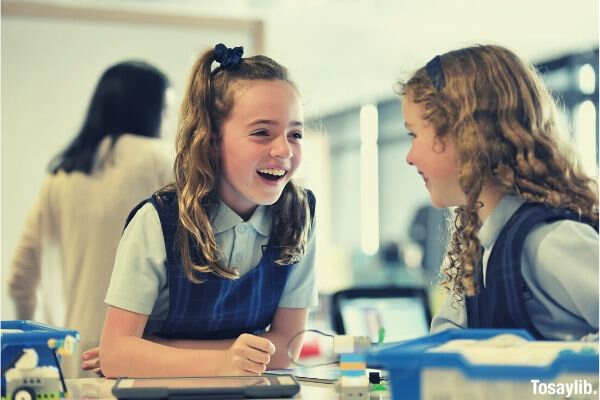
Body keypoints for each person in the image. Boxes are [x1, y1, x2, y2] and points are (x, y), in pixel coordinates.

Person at [84, 43, 317, 378]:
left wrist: (155, 347)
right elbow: (118, 354)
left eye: (295, 134)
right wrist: (224, 360)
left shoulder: (299, 214)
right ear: (211, 140)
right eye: (261, 133)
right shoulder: (157, 222)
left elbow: (287, 348)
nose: (283, 150)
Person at [401, 44, 598, 341]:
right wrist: (373, 380)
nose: (409, 157)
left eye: (414, 135)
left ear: (465, 132)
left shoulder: (548, 242)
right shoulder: (481, 249)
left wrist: (556, 364)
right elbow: (443, 345)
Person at [8, 60, 174, 377]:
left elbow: (20, 277)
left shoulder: (61, 175)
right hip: (145, 351)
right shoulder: (161, 160)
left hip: (75, 354)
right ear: (151, 110)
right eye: (166, 110)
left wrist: (32, 345)